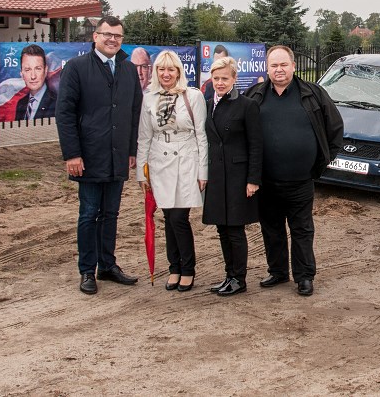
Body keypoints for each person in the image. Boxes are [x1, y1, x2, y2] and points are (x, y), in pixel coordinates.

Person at [244, 45, 343, 296]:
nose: (279, 70)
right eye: (274, 65)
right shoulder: (254, 95)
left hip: (301, 180)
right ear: (267, 68)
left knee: (302, 230)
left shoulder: (313, 94)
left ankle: (304, 276)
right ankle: (278, 272)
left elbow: (335, 128)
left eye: (283, 65)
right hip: (266, 181)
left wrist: (323, 160)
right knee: (272, 229)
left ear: (293, 66)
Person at [56, 16, 143, 295]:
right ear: (95, 36)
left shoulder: (128, 69)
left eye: (117, 36)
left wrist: (131, 150)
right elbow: (65, 113)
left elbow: (134, 112)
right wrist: (72, 154)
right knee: (89, 214)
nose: (112, 40)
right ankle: (87, 270)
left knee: (111, 214)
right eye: (107, 34)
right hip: (89, 156)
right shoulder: (77, 67)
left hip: (118, 156)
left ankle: (107, 265)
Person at [136, 50, 208, 292]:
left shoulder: (193, 96)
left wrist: (203, 171)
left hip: (186, 161)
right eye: (161, 69)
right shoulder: (149, 98)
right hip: (160, 163)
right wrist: (141, 172)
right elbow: (144, 137)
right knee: (168, 218)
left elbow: (202, 135)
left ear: (178, 71)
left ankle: (188, 269)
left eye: (171, 69)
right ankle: (174, 268)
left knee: (179, 218)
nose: (166, 74)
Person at [203, 57, 262, 297]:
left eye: (224, 78)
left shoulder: (247, 105)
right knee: (222, 229)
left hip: (238, 177)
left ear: (234, 79)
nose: (220, 83)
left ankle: (239, 279)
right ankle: (229, 276)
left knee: (235, 230)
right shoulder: (209, 104)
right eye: (216, 78)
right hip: (217, 176)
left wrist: (253, 179)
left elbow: (256, 145)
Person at [15, 44, 56, 121]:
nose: (33, 76)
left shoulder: (56, 103)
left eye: (38, 69)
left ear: (45, 70)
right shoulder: (21, 103)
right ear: (21, 73)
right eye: (27, 70)